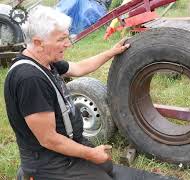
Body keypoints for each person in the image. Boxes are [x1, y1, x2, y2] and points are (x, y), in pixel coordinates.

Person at [4, 5, 129, 180]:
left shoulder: (46, 60)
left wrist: (111, 52)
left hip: (68, 143)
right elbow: (49, 139)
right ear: (39, 43)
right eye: (61, 39)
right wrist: (90, 154)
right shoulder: (29, 79)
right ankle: (32, 175)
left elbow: (78, 68)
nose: (68, 44)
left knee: (106, 166)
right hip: (48, 159)